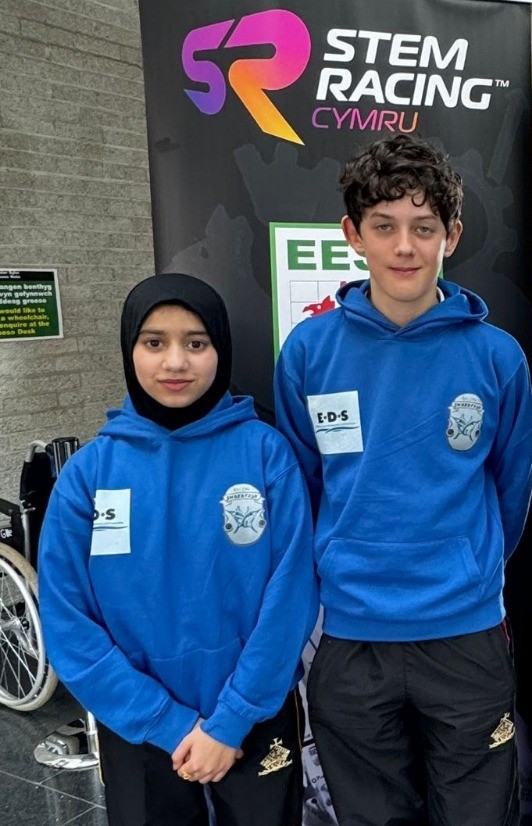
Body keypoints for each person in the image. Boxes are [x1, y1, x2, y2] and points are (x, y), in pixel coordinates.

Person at [273, 133, 532, 826]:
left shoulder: (497, 356)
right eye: (384, 226)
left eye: (423, 228)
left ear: (452, 234)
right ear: (352, 234)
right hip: (351, 637)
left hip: (466, 632)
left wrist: (465, 566)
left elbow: (511, 492)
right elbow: (302, 489)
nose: (404, 247)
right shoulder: (308, 351)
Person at [39, 273, 318, 826]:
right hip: (138, 726)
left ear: (221, 349)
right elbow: (68, 620)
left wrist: (231, 721)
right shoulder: (90, 475)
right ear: (130, 350)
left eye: (196, 342)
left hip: (254, 717)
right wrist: (168, 723)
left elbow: (290, 598)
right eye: (154, 342)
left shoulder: (266, 455)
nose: (175, 362)